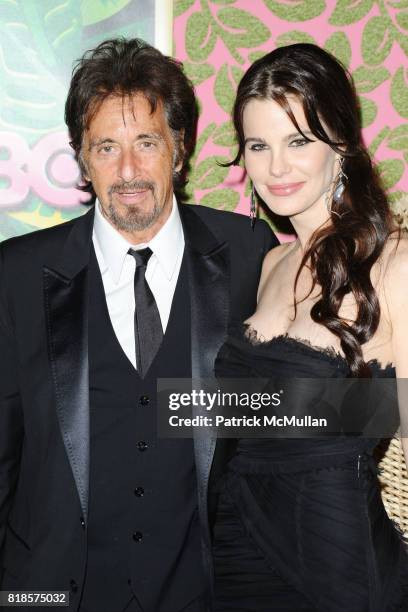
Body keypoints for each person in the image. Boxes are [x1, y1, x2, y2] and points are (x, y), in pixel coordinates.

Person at [0, 38, 276, 611]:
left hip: (205, 595)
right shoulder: (18, 274)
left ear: (179, 148)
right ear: (81, 158)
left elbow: (283, 417)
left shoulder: (250, 254)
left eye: (146, 142)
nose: (128, 171)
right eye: (105, 147)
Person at [212, 43, 408, 611]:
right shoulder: (271, 263)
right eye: (258, 145)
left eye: (298, 141)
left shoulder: (393, 262)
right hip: (236, 551)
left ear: (341, 145)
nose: (276, 167)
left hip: (337, 559)